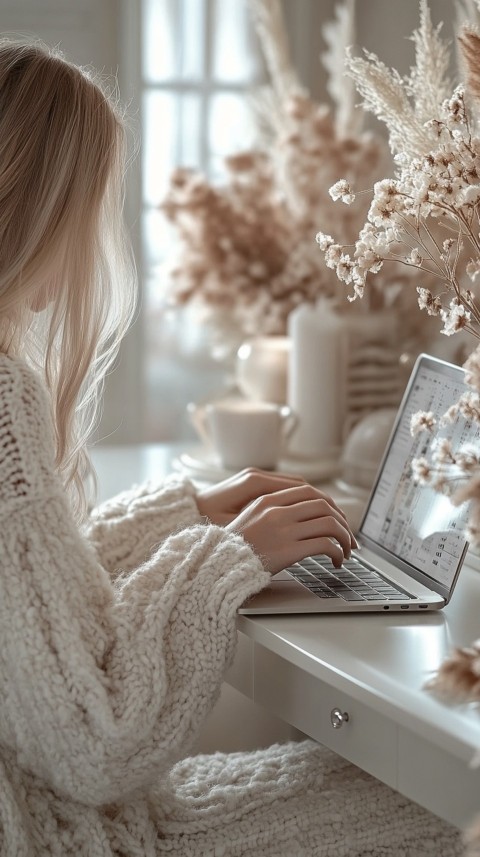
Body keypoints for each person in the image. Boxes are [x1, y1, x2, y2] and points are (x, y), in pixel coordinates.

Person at [0, 37, 463, 857]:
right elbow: (95, 744)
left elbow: (33, 608)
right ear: (36, 208)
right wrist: (226, 558)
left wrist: (191, 510)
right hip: (67, 831)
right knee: (445, 799)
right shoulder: (5, 398)